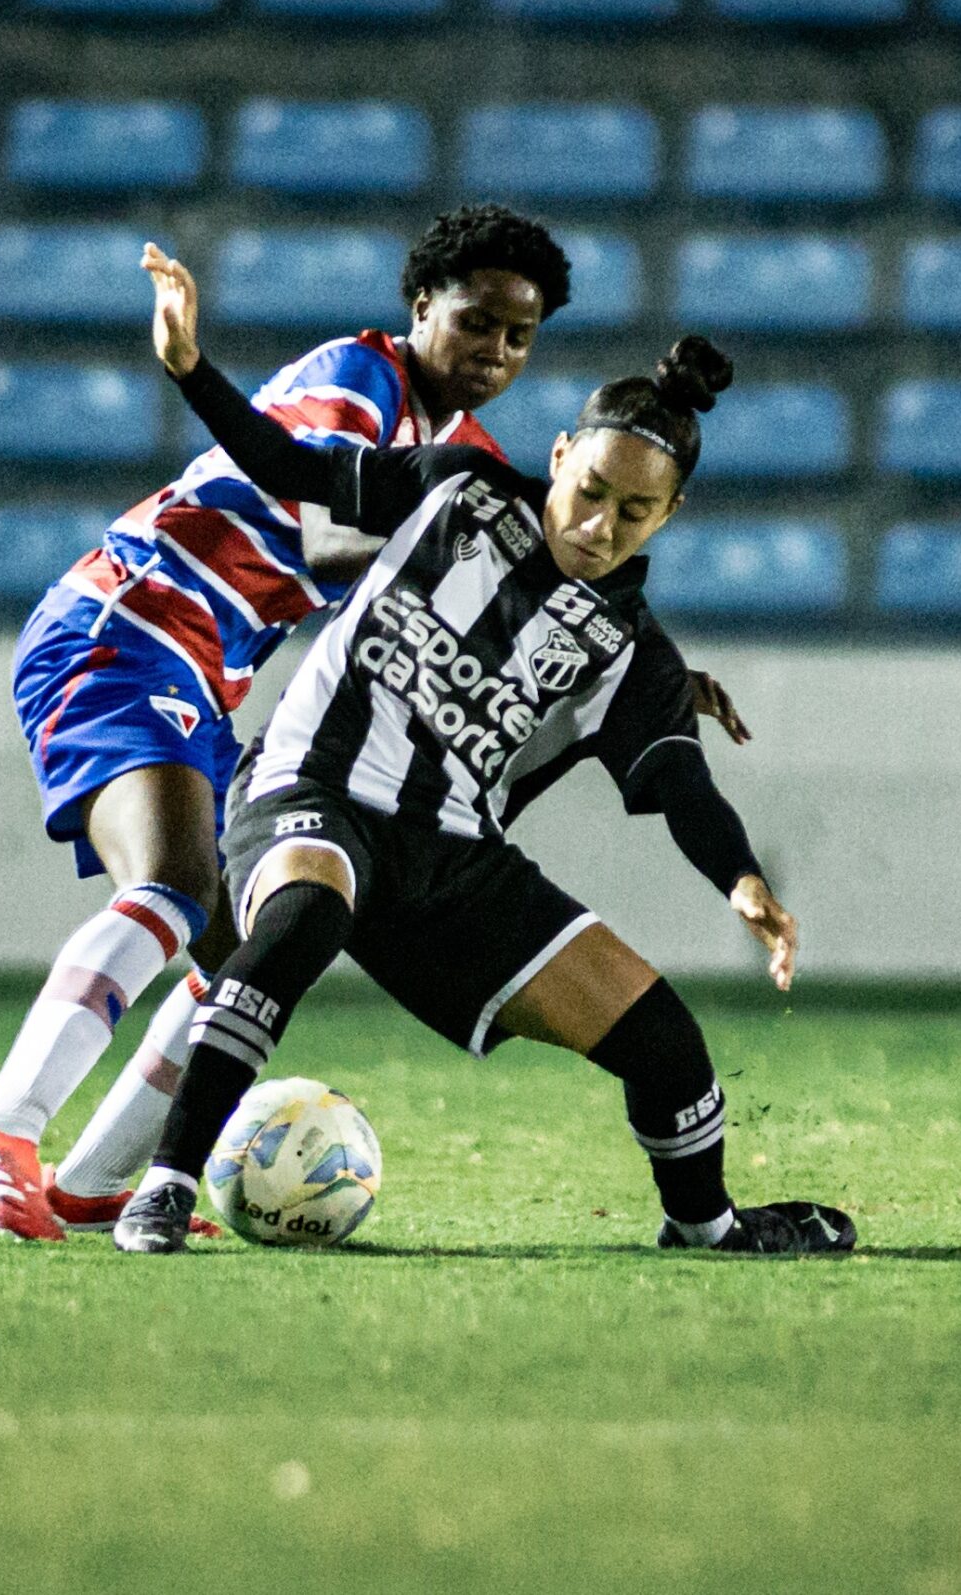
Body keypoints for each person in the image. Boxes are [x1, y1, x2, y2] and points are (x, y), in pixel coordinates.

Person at [0, 206, 751, 1242]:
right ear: (420, 308)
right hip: (130, 619)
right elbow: (328, 530)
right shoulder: (357, 382)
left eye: (519, 335)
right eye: (475, 322)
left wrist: (646, 670)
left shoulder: (458, 452)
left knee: (239, 953)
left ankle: (94, 1184)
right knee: (179, 883)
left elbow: (531, 582)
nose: (495, 352)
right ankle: (0, 1129)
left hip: (208, 662)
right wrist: (194, 369)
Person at [113, 243, 854, 1258]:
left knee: (668, 1047)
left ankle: (707, 1224)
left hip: (450, 856)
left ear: (668, 514)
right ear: (558, 456)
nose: (598, 524)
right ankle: (161, 1185)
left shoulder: (629, 651)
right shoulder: (456, 488)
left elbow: (679, 780)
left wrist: (740, 881)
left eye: (634, 512)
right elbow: (292, 468)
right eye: (588, 489)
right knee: (302, 916)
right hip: (309, 789)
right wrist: (189, 365)